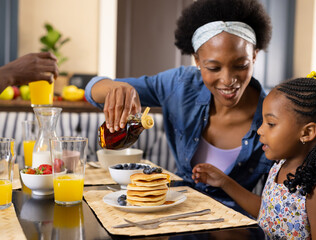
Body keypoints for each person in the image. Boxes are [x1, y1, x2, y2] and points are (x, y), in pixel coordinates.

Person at [85, 0, 273, 212]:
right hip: (173, 212)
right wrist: (117, 88)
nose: (228, 79)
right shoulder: (179, 85)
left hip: (232, 226)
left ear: (255, 55)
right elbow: (92, 89)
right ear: (197, 60)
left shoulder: (273, 118)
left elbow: (279, 210)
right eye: (213, 67)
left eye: (241, 65)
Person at [192, 73, 316, 239]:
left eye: (271, 124)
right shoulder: (279, 166)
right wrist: (224, 182)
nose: (260, 130)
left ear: (307, 132)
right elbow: (268, 211)